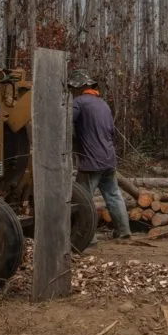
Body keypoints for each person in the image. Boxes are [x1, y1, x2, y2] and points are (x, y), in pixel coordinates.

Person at [68, 68, 131, 240]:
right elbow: (111, 132)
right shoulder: (103, 104)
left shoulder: (79, 103)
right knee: (114, 195)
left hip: (90, 162)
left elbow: (65, 123)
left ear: (79, 87)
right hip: (109, 159)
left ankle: (87, 237)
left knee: (83, 199)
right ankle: (123, 231)